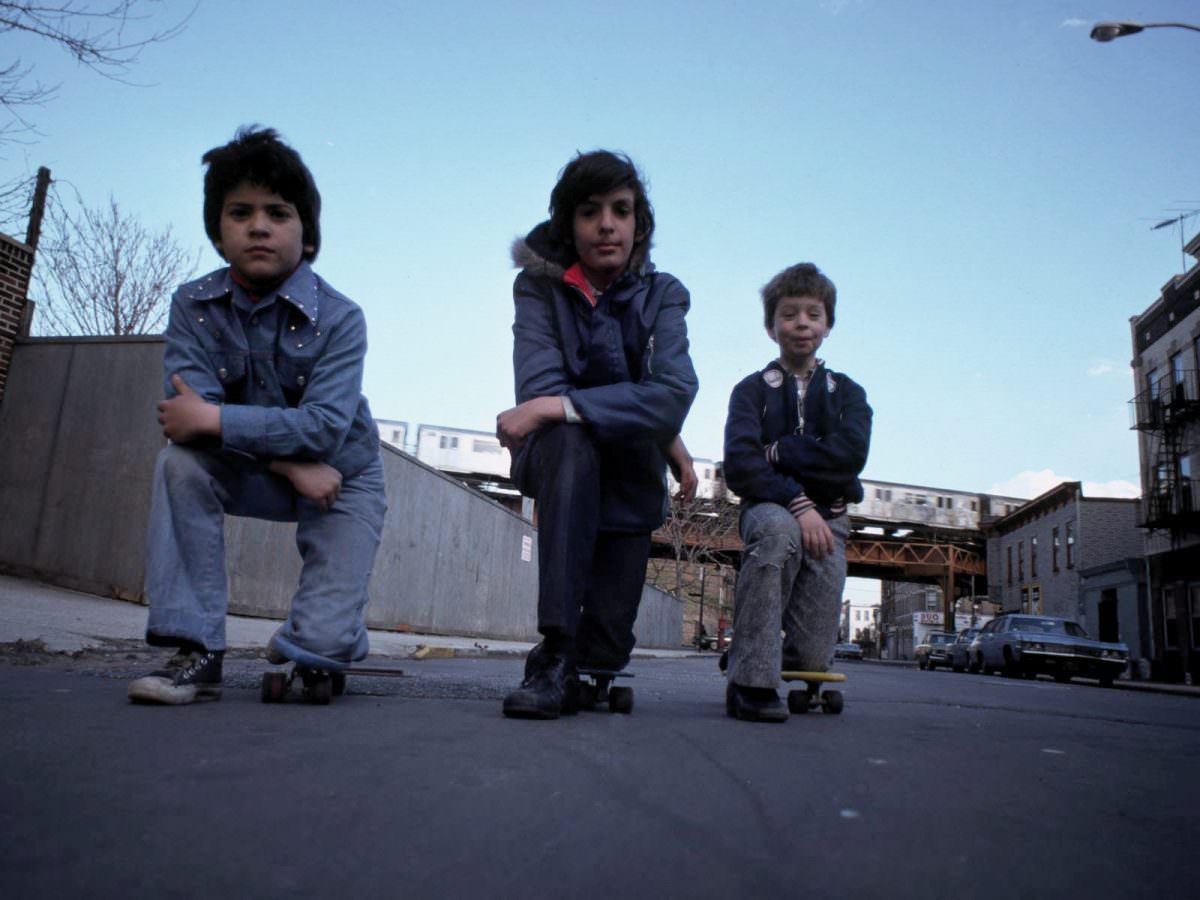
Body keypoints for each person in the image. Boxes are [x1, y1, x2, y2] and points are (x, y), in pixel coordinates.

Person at [127, 127, 387, 704]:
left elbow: (322, 427)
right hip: (273, 472)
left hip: (343, 478)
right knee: (181, 463)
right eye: (240, 212)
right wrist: (289, 466)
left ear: (307, 234)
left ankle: (334, 629)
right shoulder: (192, 306)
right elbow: (188, 422)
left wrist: (221, 425)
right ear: (219, 232)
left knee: (318, 652)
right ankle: (198, 650)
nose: (259, 226)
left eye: (279, 213)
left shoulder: (343, 318)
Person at [496, 150, 699, 719]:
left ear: (640, 224)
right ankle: (555, 653)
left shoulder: (665, 295)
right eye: (590, 212)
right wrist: (641, 413)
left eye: (620, 210)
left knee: (606, 653)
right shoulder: (537, 290)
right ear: (569, 224)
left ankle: (588, 659)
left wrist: (560, 407)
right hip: (566, 463)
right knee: (565, 441)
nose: (606, 224)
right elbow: (538, 381)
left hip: (632, 473)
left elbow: (674, 392)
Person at [721, 263, 871, 722]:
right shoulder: (750, 392)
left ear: (827, 325)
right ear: (771, 327)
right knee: (776, 533)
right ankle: (750, 682)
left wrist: (781, 449)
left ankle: (779, 657)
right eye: (789, 315)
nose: (801, 323)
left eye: (813, 314)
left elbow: (848, 459)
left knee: (810, 654)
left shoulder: (849, 394)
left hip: (831, 515)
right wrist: (797, 500)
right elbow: (741, 466)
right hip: (769, 508)